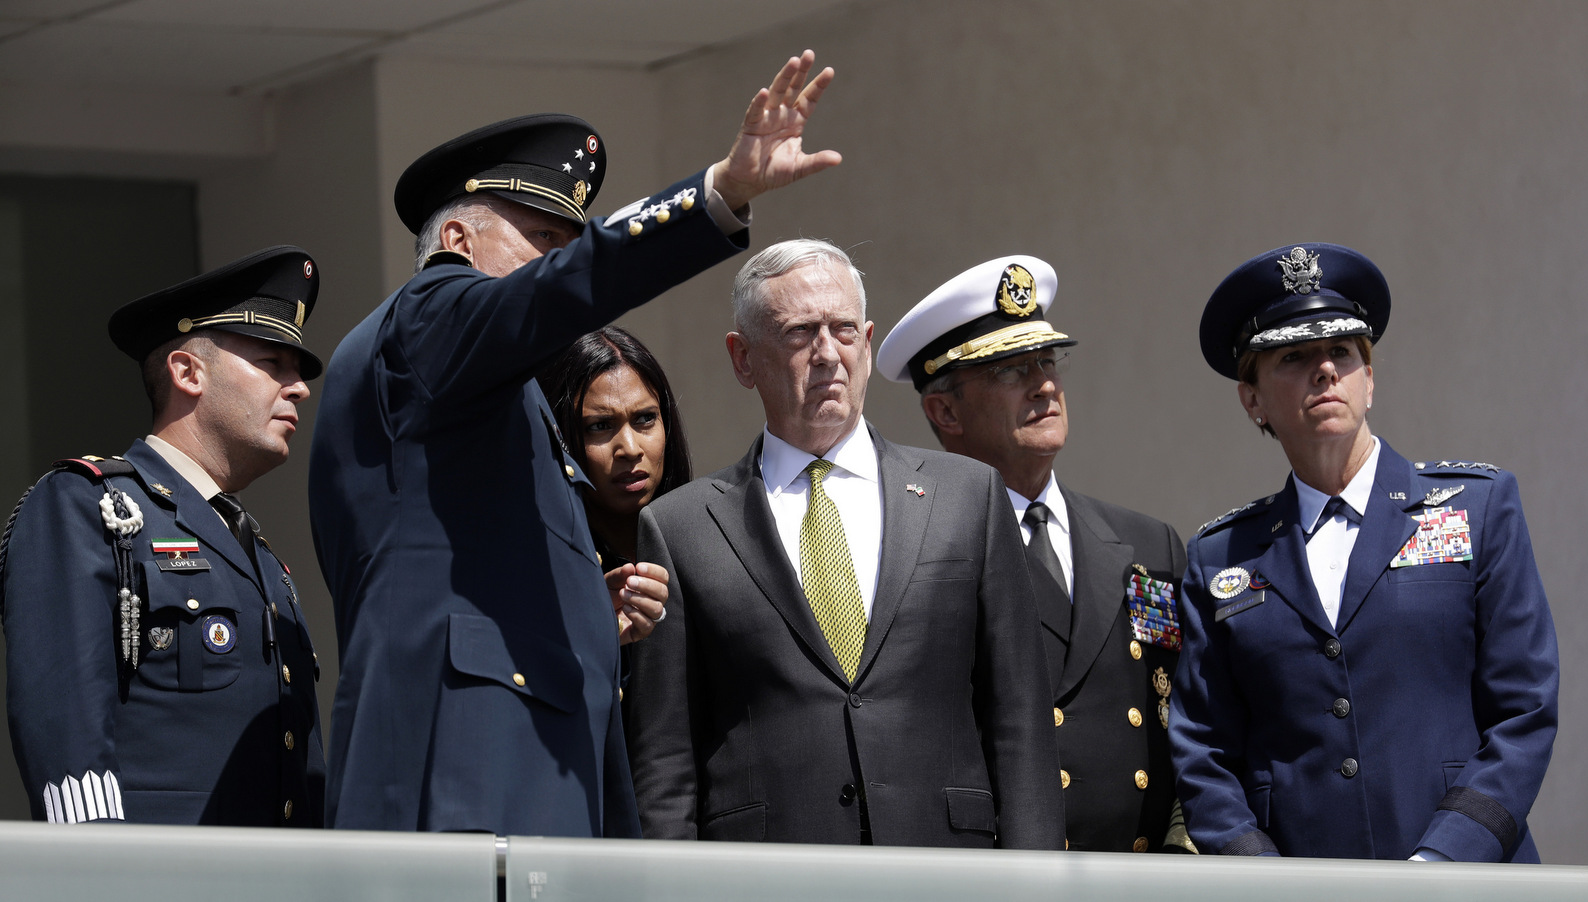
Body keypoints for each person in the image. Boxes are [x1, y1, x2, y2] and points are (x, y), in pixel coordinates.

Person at [309, 52, 840, 836]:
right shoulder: (430, 315)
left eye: (570, 243)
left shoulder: (489, 386)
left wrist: (589, 615)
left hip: (524, 767)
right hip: (464, 767)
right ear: (457, 237)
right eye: (540, 242)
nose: (557, 269)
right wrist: (718, 192)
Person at [624, 239, 1063, 849]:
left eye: (845, 330)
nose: (828, 353)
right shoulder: (681, 527)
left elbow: (1019, 722)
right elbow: (664, 760)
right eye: (801, 332)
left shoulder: (968, 497)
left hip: (948, 873)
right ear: (743, 358)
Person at [1170, 243, 1558, 861]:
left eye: (1342, 353)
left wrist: (1444, 861)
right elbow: (1203, 752)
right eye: (1294, 357)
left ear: (1369, 381)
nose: (1325, 370)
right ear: (1253, 400)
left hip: (1468, 882)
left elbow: (1525, 711)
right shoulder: (1221, 557)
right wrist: (1263, 880)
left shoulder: (1478, 508)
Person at [878, 256, 1194, 854]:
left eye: (1047, 361)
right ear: (945, 411)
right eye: (1009, 370)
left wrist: (1183, 844)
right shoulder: (912, 554)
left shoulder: (1149, 546)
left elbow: (1186, 717)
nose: (1044, 384)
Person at [0, 246, 325, 826]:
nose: (298, 386)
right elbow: (66, 730)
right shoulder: (87, 507)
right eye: (274, 363)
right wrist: (100, 871)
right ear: (187, 372)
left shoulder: (263, 561)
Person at [537, 325, 694, 572]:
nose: (630, 450)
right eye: (599, 426)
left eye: (645, 419)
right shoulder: (541, 571)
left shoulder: (710, 546)